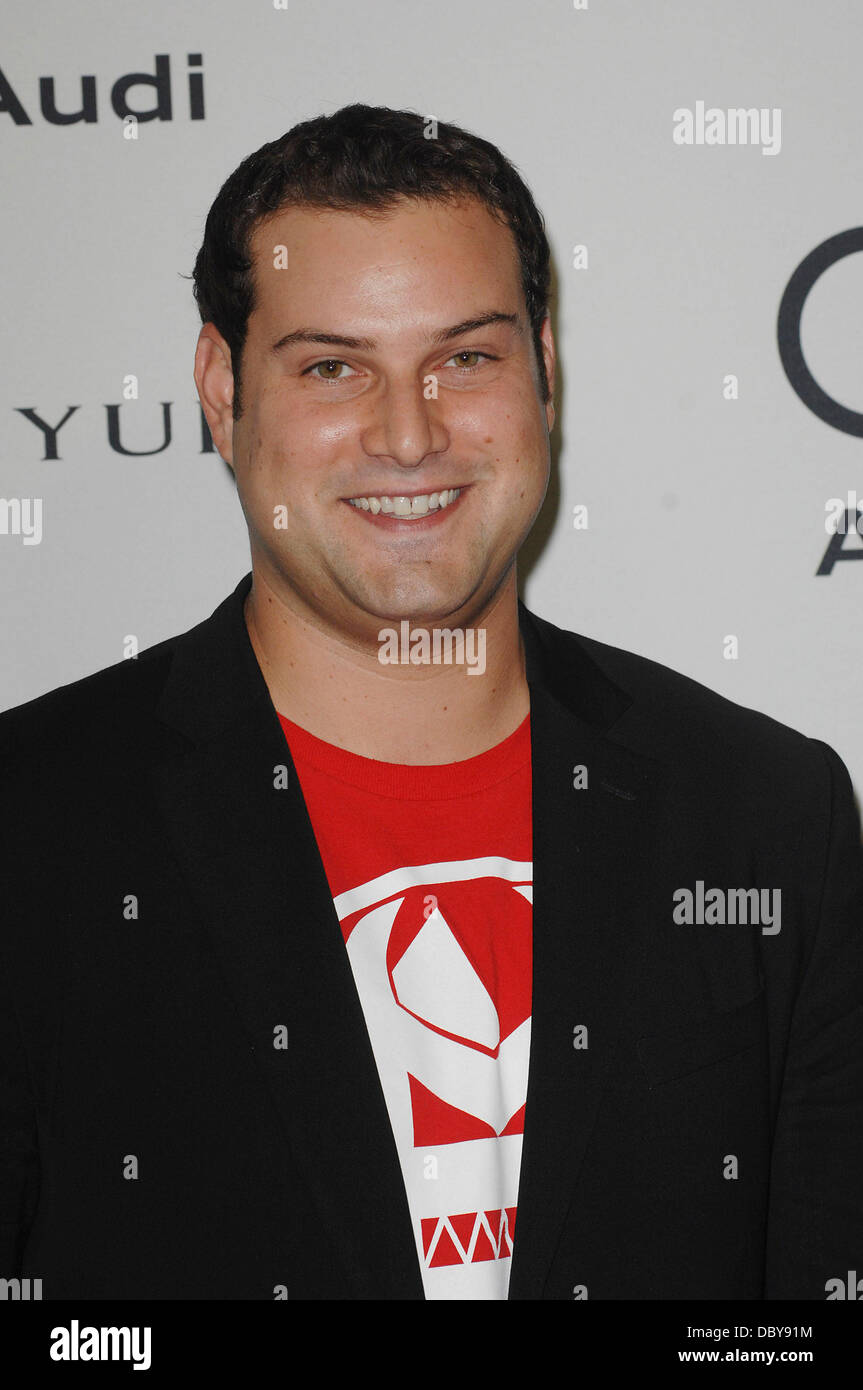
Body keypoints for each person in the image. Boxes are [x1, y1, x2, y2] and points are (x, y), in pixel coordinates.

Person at [1, 103, 861, 1301]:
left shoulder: (766, 815)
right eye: (332, 367)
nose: (409, 435)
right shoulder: (32, 826)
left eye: (466, 357)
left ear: (543, 370)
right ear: (219, 387)